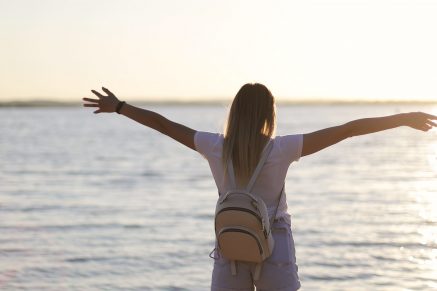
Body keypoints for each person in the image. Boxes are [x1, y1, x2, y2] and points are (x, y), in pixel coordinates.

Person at [82, 83, 436, 291]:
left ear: (235, 112)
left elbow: (163, 124)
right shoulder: (281, 148)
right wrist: (402, 119)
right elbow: (347, 129)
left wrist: (120, 107)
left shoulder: (214, 145)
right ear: (269, 114)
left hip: (230, 245)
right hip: (274, 246)